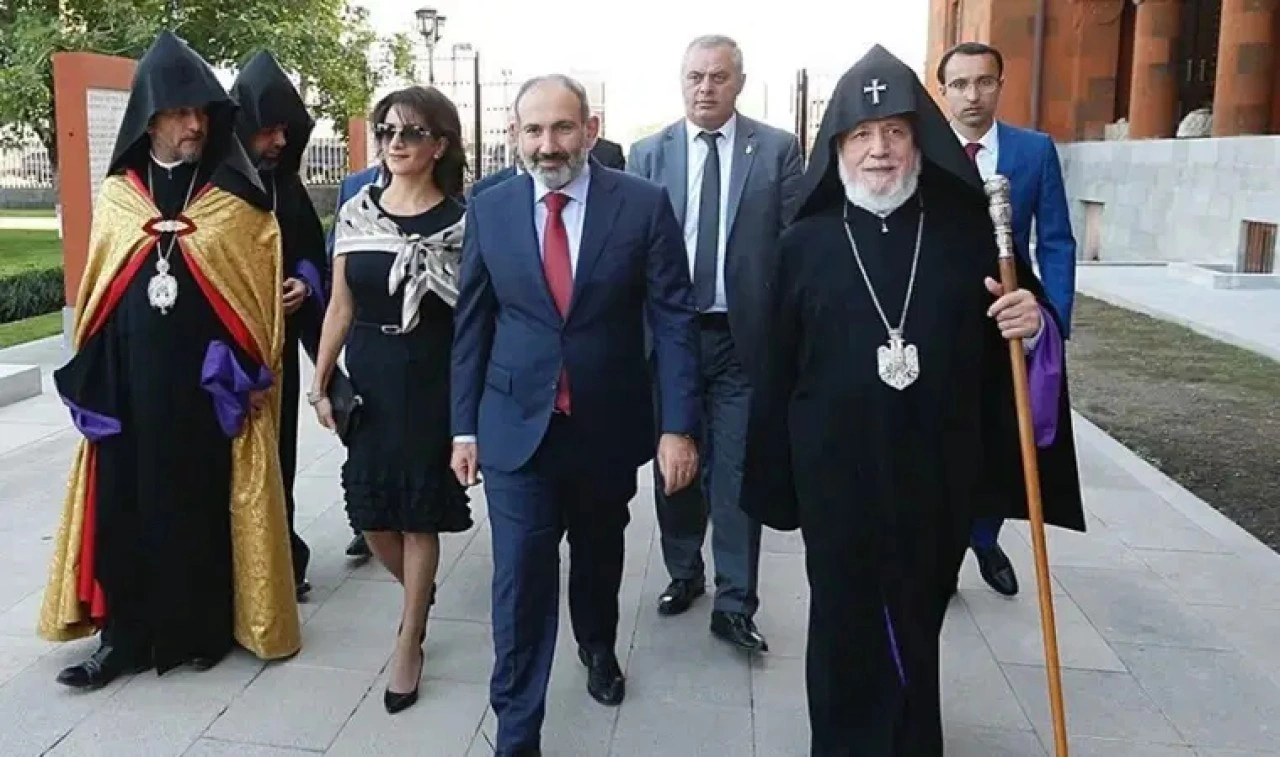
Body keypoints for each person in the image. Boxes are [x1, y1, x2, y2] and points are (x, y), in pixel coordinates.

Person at [739, 44, 1085, 755]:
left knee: (917, 616)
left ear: (919, 141)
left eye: (895, 131)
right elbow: (775, 369)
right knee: (842, 620)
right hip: (835, 477)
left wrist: (1033, 322)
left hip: (936, 470)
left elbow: (1026, 328)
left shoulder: (968, 233)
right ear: (838, 146)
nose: (879, 150)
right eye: (862, 135)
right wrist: (773, 480)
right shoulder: (804, 244)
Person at [37, 30, 300, 689]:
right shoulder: (121, 197)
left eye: (201, 113)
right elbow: (99, 294)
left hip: (205, 390)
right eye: (180, 113)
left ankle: (201, 630)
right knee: (123, 508)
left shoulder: (234, 199)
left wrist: (243, 372)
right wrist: (95, 380)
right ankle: (121, 640)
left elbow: (254, 293)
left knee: (199, 506)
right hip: (129, 388)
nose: (194, 125)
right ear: (150, 119)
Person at [451, 74, 700, 756]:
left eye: (562, 127)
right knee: (520, 577)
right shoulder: (490, 207)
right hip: (515, 427)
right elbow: (473, 322)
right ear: (514, 135)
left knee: (597, 553)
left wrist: (678, 426)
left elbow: (674, 319)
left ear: (590, 129)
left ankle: (597, 643)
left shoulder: (642, 205)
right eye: (533, 130)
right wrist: (463, 427)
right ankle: (517, 730)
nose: (548, 144)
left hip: (605, 424)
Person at [628, 34, 803, 651]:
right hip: (670, 337)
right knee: (676, 464)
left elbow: (794, 243)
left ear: (739, 83)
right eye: (696, 76)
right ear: (682, 80)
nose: (706, 87)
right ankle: (684, 572)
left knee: (735, 470)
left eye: (719, 77)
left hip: (741, 340)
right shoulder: (648, 154)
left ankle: (735, 601)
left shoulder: (776, 150)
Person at [310, 85, 474, 714]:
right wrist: (321, 381)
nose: (395, 143)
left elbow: (473, 320)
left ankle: (410, 638)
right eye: (386, 131)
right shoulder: (357, 212)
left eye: (410, 133)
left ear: (440, 145)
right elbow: (340, 305)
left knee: (418, 513)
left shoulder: (462, 224)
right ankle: (417, 591)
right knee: (373, 513)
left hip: (433, 378)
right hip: (372, 377)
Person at [938, 41, 1078, 597]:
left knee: (1003, 436)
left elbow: (1058, 240)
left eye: (984, 82)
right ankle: (946, 546)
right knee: (947, 438)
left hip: (1010, 321)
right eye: (959, 84)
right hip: (944, 323)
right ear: (943, 91)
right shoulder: (925, 149)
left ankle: (984, 536)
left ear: (1000, 85)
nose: (972, 95)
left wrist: (1052, 320)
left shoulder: (1033, 151)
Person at [231, 49, 329, 600]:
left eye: (286, 132)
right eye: (269, 131)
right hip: (222, 352)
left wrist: (305, 283)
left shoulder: (286, 186)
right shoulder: (215, 184)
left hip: (277, 351)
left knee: (277, 457)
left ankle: (279, 561)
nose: (279, 142)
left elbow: (312, 253)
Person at [326, 164, 382, 561]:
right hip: (365, 334)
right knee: (364, 432)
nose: (395, 143)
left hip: (419, 343)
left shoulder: (437, 184)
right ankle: (365, 522)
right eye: (386, 135)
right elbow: (334, 251)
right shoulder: (355, 186)